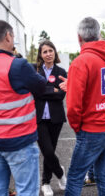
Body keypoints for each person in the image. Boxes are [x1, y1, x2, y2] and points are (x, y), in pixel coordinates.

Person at [0, 20, 46, 195]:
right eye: (12, 36)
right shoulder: (17, 65)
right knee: (26, 190)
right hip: (18, 140)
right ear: (7, 36)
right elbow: (41, 87)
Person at [64, 17, 105, 196]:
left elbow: (73, 106)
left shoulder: (81, 62)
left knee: (74, 176)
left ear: (79, 37)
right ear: (99, 35)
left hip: (92, 129)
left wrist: (77, 127)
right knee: (103, 174)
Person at [35, 40, 67, 196]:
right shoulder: (35, 71)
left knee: (51, 149)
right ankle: (60, 173)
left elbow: (61, 94)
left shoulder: (62, 72)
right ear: (40, 55)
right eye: (45, 52)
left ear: (55, 52)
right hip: (39, 118)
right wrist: (51, 90)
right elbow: (36, 92)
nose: (48, 54)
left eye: (50, 51)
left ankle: (46, 183)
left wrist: (45, 90)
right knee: (47, 151)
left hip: (56, 117)